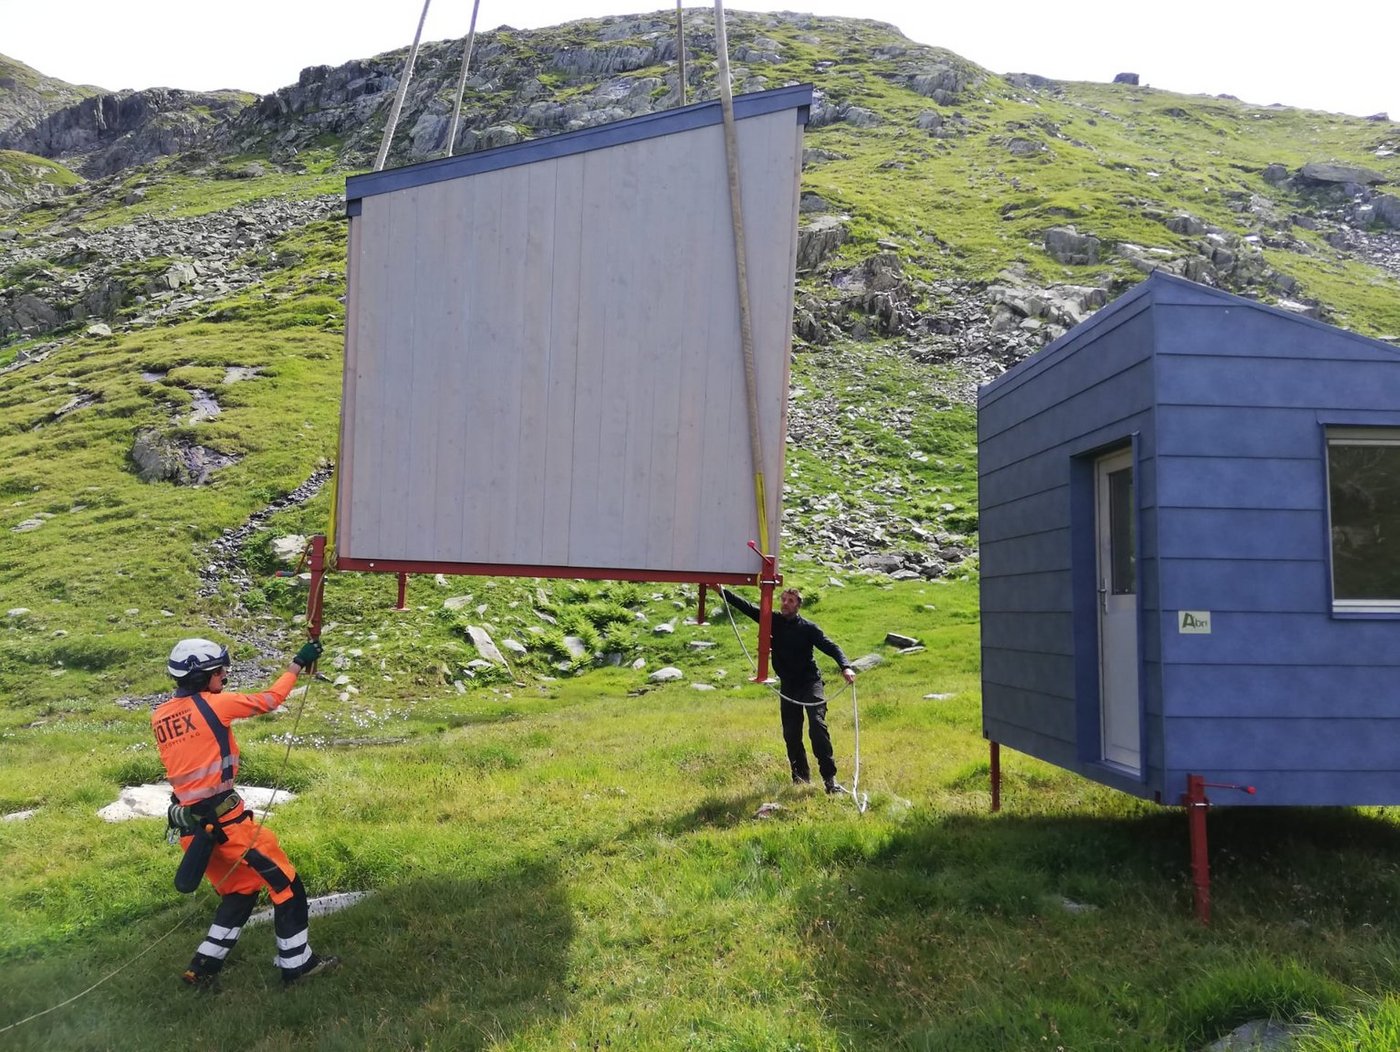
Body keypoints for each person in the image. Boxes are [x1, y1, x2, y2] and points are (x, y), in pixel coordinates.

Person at [152, 636, 338, 988]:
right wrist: (297, 663)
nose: (225, 674)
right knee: (288, 887)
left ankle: (203, 967)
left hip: (193, 830)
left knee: (239, 893)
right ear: (201, 675)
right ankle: (298, 965)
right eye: (219, 669)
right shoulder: (215, 705)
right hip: (229, 826)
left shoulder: (160, 716)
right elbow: (271, 700)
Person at [714, 585, 857, 793]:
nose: (785, 603)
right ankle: (800, 780)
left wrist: (845, 667)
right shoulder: (772, 622)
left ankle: (830, 780)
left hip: (810, 683)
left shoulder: (809, 628)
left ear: (798, 605)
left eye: (791, 601)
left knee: (817, 726)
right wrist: (721, 591)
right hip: (788, 686)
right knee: (791, 734)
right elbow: (747, 607)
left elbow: (831, 646)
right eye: (783, 599)